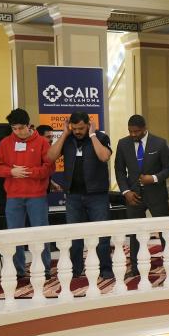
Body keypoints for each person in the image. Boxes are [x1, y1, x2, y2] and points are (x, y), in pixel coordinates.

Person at [45, 112, 114, 280]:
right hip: (73, 196)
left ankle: (105, 269)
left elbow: (104, 156)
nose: (77, 131)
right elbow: (50, 157)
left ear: (88, 125)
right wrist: (64, 134)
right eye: (74, 128)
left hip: (97, 195)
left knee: (102, 235)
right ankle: (76, 270)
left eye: (81, 128)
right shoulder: (68, 139)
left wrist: (92, 135)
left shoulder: (100, 137)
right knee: (74, 236)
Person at [0, 108, 53, 279]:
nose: (18, 132)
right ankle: (18, 270)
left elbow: (49, 167)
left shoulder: (41, 142)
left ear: (29, 125)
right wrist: (11, 171)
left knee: (40, 233)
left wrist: (29, 173)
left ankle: (44, 269)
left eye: (20, 128)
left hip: (37, 196)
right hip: (13, 196)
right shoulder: (5, 143)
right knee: (14, 235)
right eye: (14, 128)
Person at [114, 114, 169, 274]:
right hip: (133, 196)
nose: (133, 134)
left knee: (165, 231)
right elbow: (119, 170)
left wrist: (153, 178)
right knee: (135, 233)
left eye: (136, 131)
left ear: (144, 128)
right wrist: (126, 191)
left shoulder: (159, 143)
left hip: (157, 194)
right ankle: (136, 268)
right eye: (130, 131)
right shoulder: (123, 143)